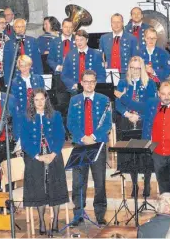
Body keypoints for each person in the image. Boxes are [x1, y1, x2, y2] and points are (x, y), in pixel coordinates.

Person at [20, 88, 69, 235]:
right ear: (32, 102)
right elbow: (25, 140)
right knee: (38, 189)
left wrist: (53, 154)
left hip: (53, 154)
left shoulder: (56, 115)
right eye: (36, 100)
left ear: (46, 100)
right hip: (35, 156)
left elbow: (60, 136)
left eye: (42, 99)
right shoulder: (26, 117)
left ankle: (55, 222)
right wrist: (37, 156)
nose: (40, 103)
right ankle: (41, 220)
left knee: (56, 187)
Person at [67, 70, 112, 226]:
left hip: (97, 144)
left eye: (92, 81)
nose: (89, 84)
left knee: (99, 181)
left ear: (95, 83)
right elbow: (70, 123)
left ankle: (100, 214)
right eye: (86, 81)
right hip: (80, 145)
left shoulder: (104, 99)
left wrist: (92, 137)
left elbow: (107, 124)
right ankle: (78, 214)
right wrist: (82, 138)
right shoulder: (74, 100)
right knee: (78, 182)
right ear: (81, 83)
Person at [115, 56, 157, 197]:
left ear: (142, 68)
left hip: (143, 121)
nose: (135, 71)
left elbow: (151, 106)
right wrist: (127, 114)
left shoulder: (149, 84)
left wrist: (139, 116)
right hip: (127, 121)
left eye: (138, 68)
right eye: (132, 68)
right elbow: (118, 103)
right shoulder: (122, 83)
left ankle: (146, 184)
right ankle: (134, 184)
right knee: (131, 154)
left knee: (145, 154)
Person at [3, 18, 43, 87]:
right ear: (14, 28)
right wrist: (7, 81)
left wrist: (40, 77)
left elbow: (38, 62)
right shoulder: (8, 44)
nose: (20, 29)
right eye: (18, 27)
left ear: (25, 28)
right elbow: (7, 64)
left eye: (22, 26)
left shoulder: (32, 41)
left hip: (32, 74)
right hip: (16, 76)